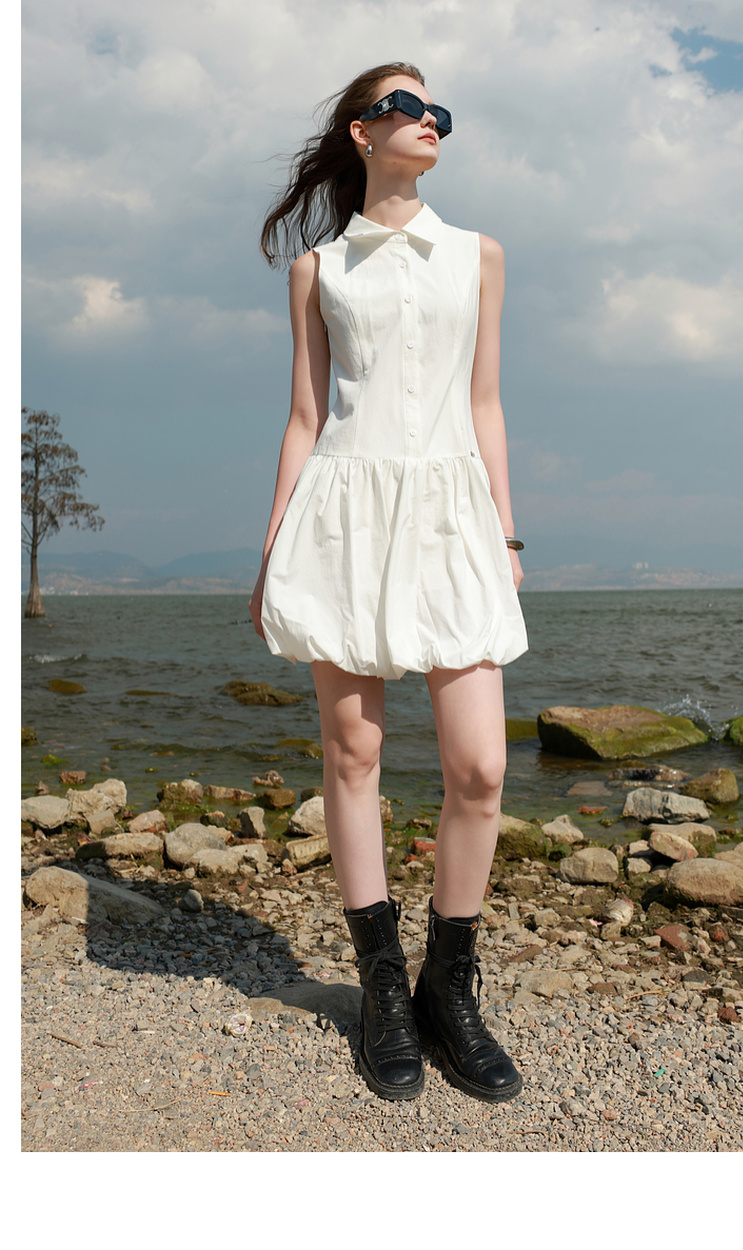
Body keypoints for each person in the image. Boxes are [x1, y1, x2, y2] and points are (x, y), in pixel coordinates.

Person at [249, 62, 528, 1104]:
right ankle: (381, 989)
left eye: (436, 110)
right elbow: (305, 417)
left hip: (455, 515)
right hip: (343, 515)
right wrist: (273, 548)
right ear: (362, 133)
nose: (427, 120)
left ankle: (448, 988)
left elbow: (486, 403)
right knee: (354, 751)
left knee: (481, 766)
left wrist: (507, 536)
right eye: (404, 107)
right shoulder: (317, 269)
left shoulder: (479, 255)